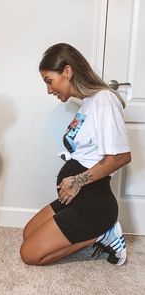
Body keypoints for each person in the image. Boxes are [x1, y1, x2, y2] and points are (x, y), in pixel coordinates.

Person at [20, 43, 131, 266]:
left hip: (94, 204)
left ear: (67, 71)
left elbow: (121, 157)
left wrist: (77, 180)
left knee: (29, 254)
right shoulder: (87, 104)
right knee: (28, 234)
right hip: (75, 200)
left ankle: (103, 233)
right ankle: (96, 231)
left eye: (49, 81)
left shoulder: (104, 100)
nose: (49, 90)